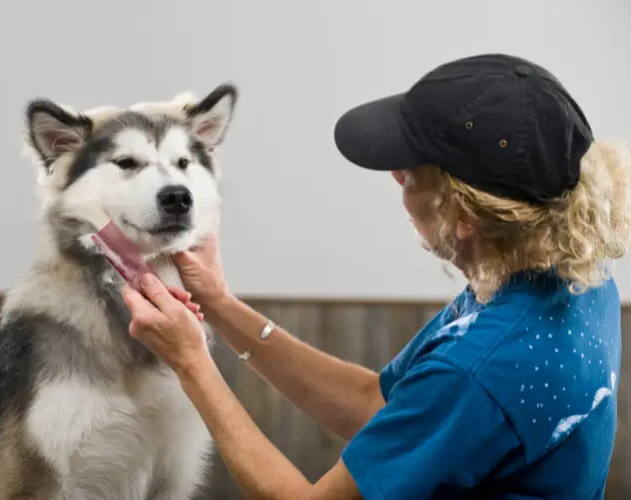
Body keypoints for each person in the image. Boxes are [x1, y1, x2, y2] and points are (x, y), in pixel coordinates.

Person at [121, 53, 631, 499]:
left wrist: (192, 361)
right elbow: (378, 404)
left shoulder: (478, 370)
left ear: (464, 214)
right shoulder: (569, 278)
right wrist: (220, 305)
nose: (393, 177)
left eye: (409, 173)